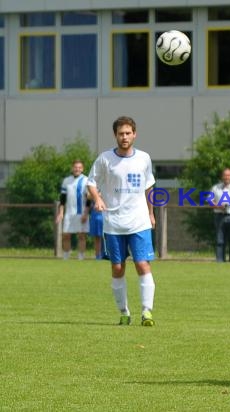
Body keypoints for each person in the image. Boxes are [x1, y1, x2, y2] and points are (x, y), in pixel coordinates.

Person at [87, 116, 157, 327]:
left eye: (128, 133)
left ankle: (147, 312)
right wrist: (98, 199)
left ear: (134, 134)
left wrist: (151, 213)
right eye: (121, 133)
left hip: (139, 221)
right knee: (117, 268)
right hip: (114, 223)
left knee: (142, 264)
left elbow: (149, 188)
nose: (124, 137)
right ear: (115, 135)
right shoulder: (105, 159)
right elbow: (91, 182)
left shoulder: (144, 158)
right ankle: (124, 312)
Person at [55, 160, 89, 260]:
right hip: (69, 214)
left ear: (82, 169)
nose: (77, 169)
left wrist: (86, 214)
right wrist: (61, 213)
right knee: (66, 235)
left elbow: (89, 199)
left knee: (81, 236)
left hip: (81, 213)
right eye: (75, 167)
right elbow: (62, 198)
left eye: (79, 167)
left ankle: (81, 257)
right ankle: (66, 257)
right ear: (72, 168)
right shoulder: (66, 180)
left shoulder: (86, 180)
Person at [86, 191, 107, 260]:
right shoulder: (93, 186)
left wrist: (95, 195)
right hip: (95, 214)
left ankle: (106, 254)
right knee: (97, 237)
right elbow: (88, 196)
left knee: (107, 236)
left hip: (105, 215)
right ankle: (98, 256)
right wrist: (97, 194)